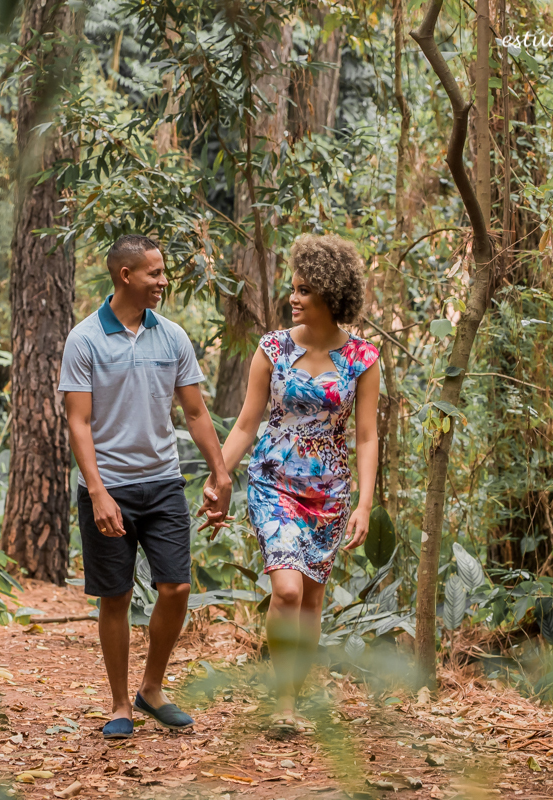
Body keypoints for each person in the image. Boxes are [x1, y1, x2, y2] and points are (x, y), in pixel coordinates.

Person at [60, 234, 232, 740]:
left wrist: (220, 472)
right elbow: (78, 423)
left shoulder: (173, 337)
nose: (163, 281)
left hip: (162, 482)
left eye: (162, 272)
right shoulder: (85, 339)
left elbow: (195, 412)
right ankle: (120, 704)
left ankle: (151, 689)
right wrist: (97, 492)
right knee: (114, 597)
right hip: (108, 486)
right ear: (125, 275)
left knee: (176, 587)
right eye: (154, 273)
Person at [211, 233, 380, 734]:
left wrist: (364, 504)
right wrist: (220, 476)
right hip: (272, 483)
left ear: (330, 294)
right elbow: (246, 423)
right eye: (293, 287)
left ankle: (295, 692)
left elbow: (367, 437)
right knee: (286, 590)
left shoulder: (362, 358)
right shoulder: (273, 349)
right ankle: (282, 704)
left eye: (304, 289)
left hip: (329, 494)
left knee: (310, 601)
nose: (294, 297)